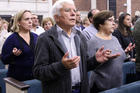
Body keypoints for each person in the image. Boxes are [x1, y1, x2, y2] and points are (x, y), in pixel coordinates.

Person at [33, 0, 120, 93]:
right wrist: (61, 66)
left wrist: (95, 60)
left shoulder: (79, 36)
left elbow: (84, 65)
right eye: (67, 10)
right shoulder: (45, 38)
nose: (73, 14)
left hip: (81, 89)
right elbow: (38, 72)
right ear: (56, 17)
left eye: (74, 11)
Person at [87, 10, 135, 93]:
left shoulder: (114, 38)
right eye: (110, 20)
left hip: (117, 84)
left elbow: (119, 58)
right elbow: (89, 65)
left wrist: (126, 52)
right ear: (100, 24)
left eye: (114, 20)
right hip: (101, 86)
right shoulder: (93, 41)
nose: (113, 23)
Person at [1, 10, 38, 81]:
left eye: (31, 19)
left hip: (35, 78)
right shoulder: (11, 39)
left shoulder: (36, 37)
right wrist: (13, 55)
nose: (30, 21)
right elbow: (4, 60)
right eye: (27, 19)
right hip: (17, 81)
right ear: (18, 22)